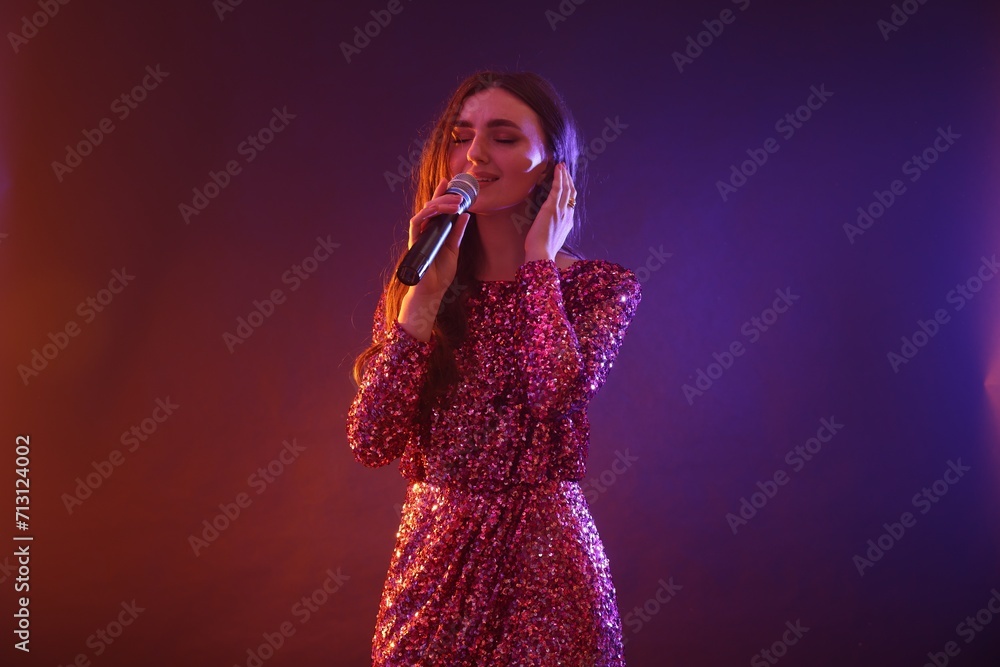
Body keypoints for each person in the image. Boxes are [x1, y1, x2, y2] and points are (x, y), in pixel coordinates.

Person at [347, 70, 641, 666]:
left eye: (503, 137)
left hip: (545, 568)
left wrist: (537, 266)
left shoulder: (599, 289)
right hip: (432, 560)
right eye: (461, 136)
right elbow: (371, 440)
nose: (475, 154)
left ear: (553, 166)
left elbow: (551, 391)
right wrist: (423, 303)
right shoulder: (420, 291)